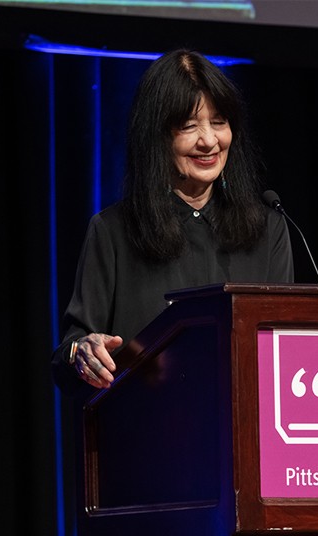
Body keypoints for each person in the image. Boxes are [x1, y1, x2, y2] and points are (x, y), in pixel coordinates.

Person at [51, 49, 294, 394]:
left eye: (219, 121)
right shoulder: (113, 231)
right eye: (188, 125)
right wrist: (82, 353)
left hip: (244, 436)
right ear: (157, 136)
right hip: (145, 434)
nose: (209, 140)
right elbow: (69, 355)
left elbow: (284, 350)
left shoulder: (268, 229)